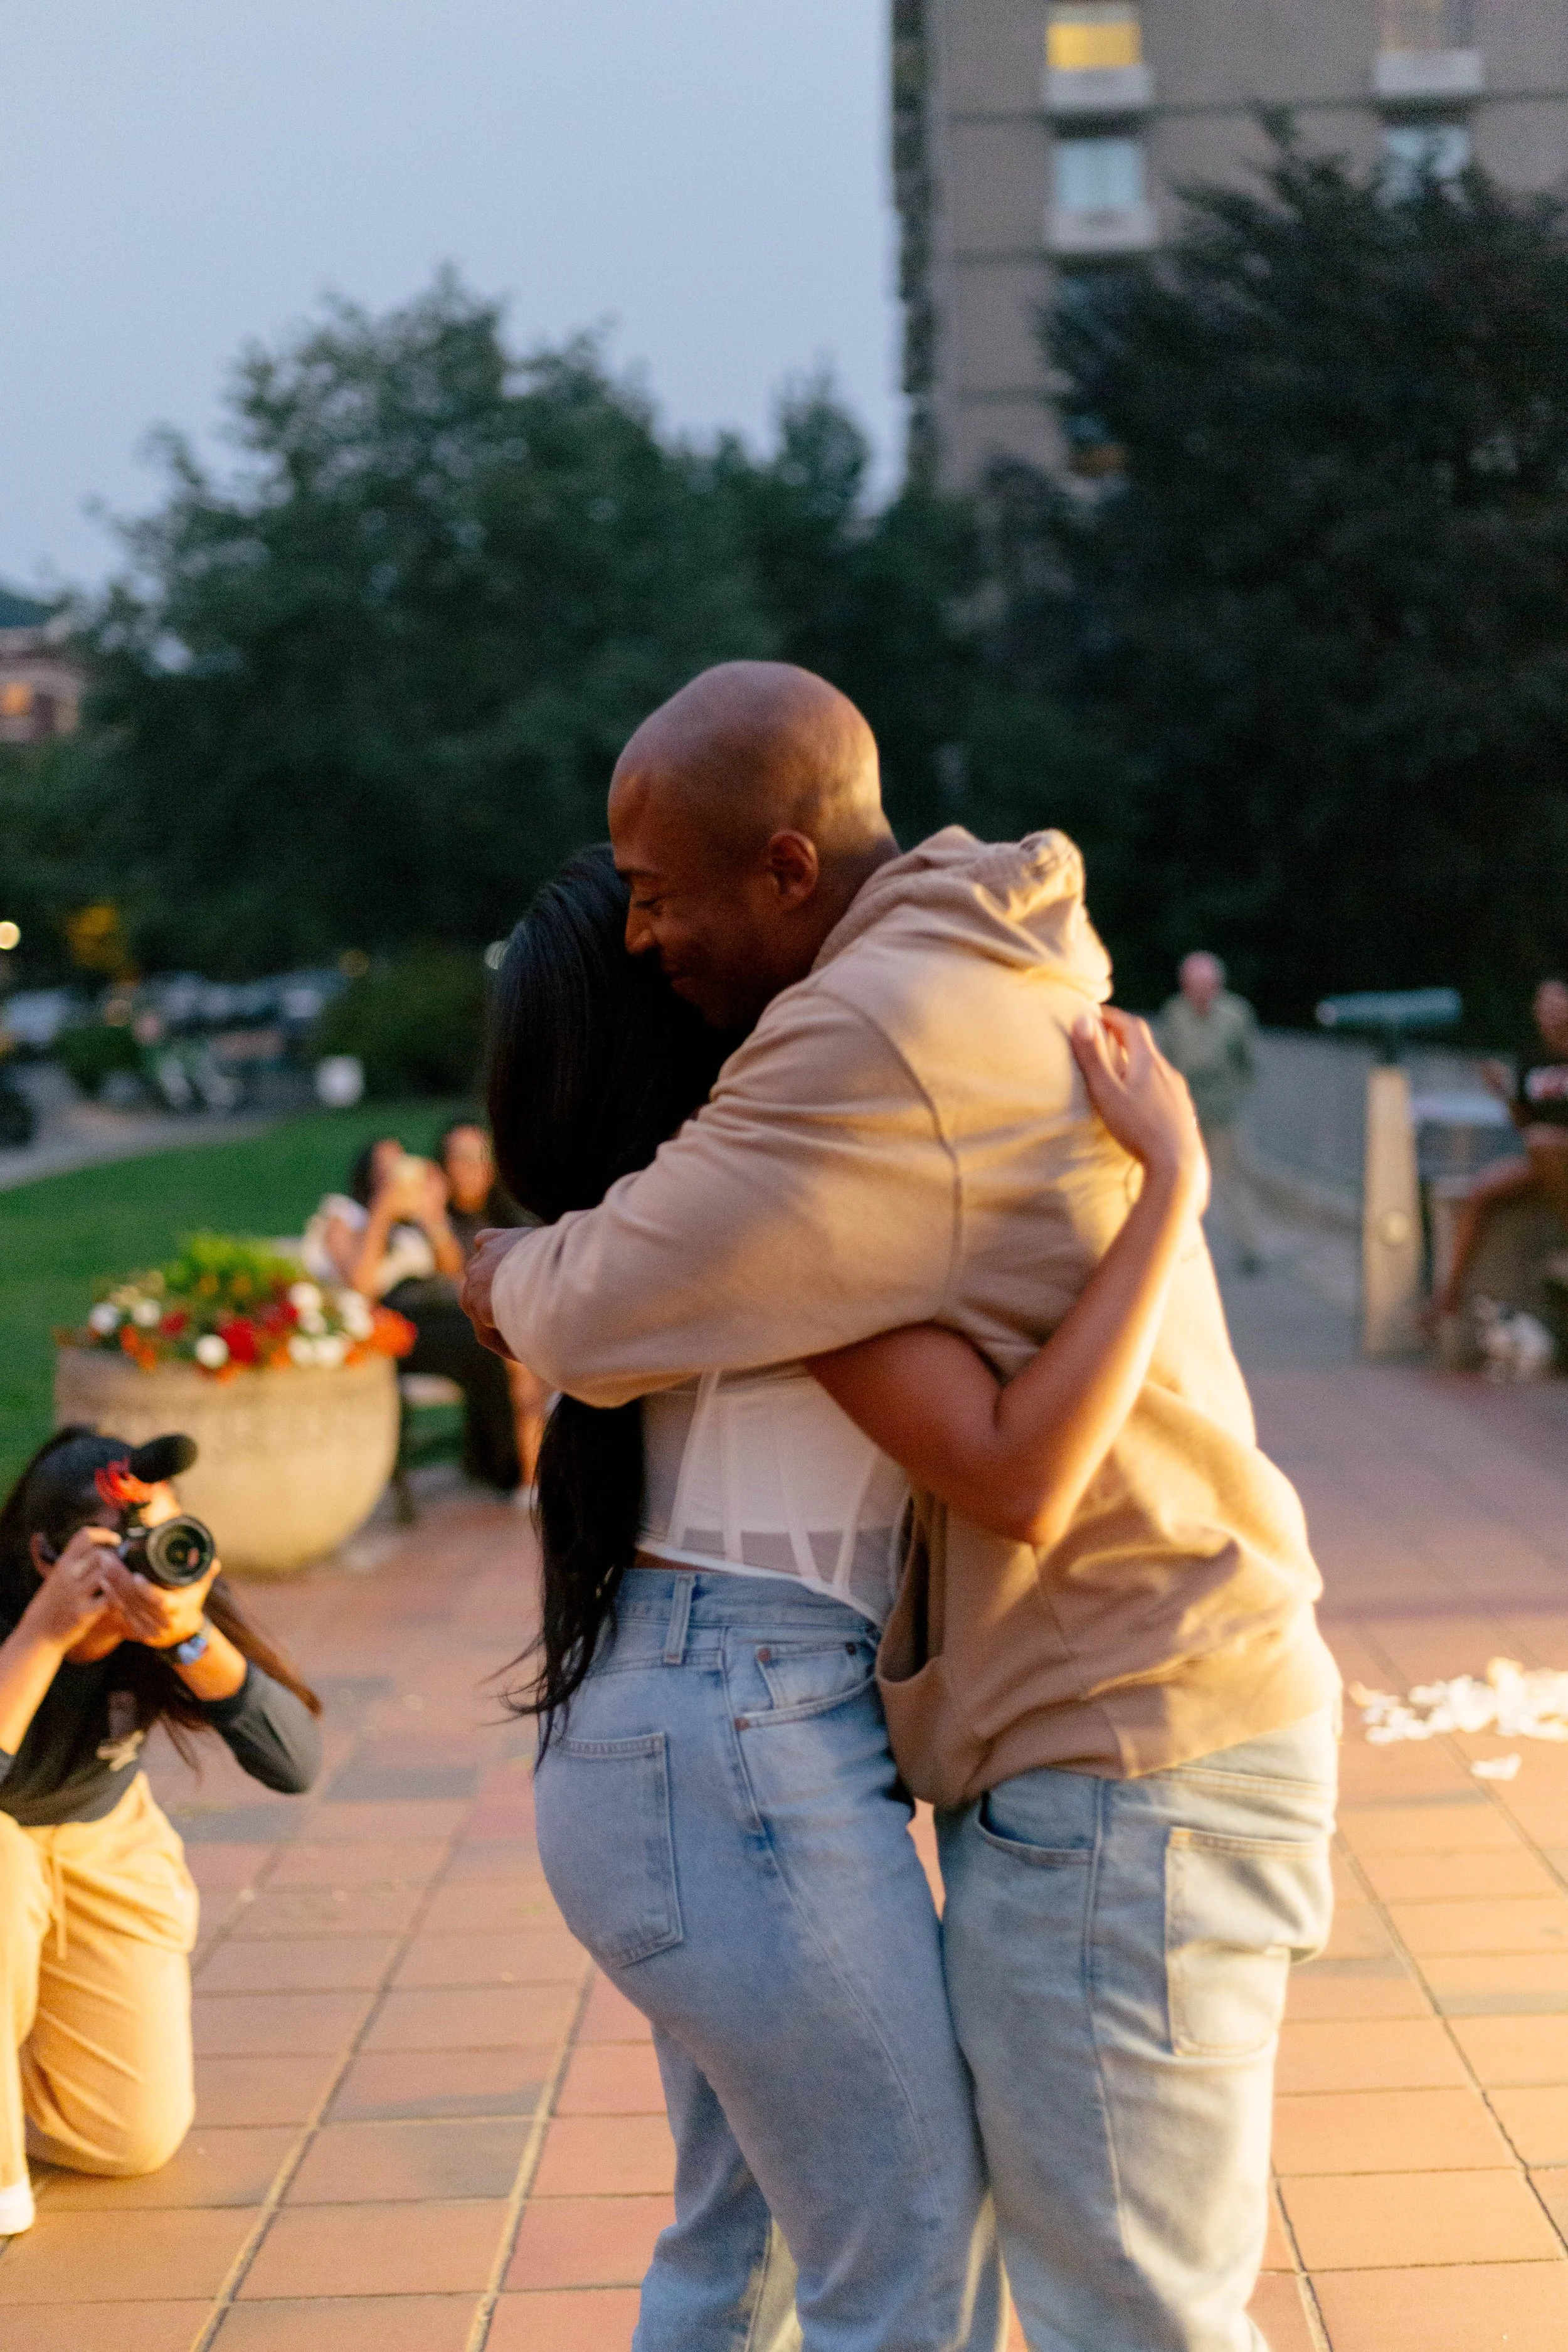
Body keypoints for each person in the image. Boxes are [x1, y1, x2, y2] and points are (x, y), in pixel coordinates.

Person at [467, 661, 1339, 2352]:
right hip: (804, 1735)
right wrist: (1173, 1186)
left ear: (787, 869)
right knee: (902, 2269)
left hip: (1074, 1735)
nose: (651, 934)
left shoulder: (854, 1077)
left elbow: (1010, 1473)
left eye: (660, 895)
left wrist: (497, 1267)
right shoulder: (972, 979)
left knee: (912, 2273)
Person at [0, 1428, 320, 2237]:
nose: (149, 1564)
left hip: (100, 1836)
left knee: (126, 2137)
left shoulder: (175, 1613)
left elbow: (295, 1763)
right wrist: (43, 1635)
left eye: (163, 1537)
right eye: (121, 1548)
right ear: (45, 1555)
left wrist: (186, 1636)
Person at [307, 1136, 521, 1493]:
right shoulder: (344, 1216)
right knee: (478, 1341)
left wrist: (433, 1218)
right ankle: (505, 1467)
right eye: (387, 1170)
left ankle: (498, 1462)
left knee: (489, 1335)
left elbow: (455, 1273)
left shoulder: (412, 1223)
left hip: (430, 1314)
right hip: (384, 1327)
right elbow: (362, 1284)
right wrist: (382, 1211)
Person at [1429, 977, 1568, 1324]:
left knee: (1542, 1142)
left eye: (1557, 1004)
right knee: (1483, 1190)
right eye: (1543, 1007)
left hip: (1558, 1148)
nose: (1550, 1014)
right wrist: (1503, 1093)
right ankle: (1446, 1299)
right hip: (1546, 1158)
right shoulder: (1532, 1059)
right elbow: (1525, 1126)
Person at [435, 1122, 548, 1491]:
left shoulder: (510, 1218)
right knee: (519, 1359)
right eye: (462, 1158)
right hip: (460, 1324)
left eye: (481, 1157)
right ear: (444, 1166)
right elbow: (454, 1282)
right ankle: (531, 1477)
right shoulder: (436, 1221)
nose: (474, 1168)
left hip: (514, 1316)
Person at [1155, 950, 1264, 1274]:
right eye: (1195, 985)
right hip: (1185, 1114)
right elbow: (1165, 1060)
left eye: (1208, 985)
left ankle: (1251, 1249)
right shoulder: (1174, 1014)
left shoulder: (1236, 1014)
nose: (1202, 992)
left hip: (1224, 1114)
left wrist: (1237, 1095)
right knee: (1181, 1182)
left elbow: (1248, 1062)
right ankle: (1176, 1250)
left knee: (1234, 1183)